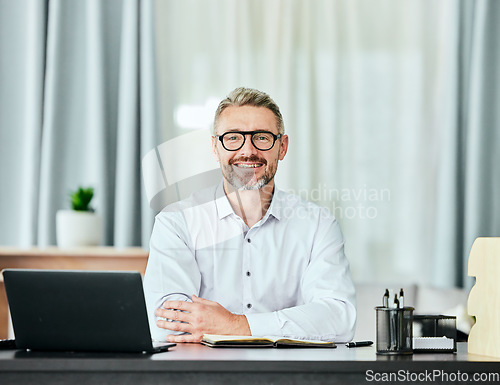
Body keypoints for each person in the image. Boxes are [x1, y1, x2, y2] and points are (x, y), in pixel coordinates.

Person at [143, 87, 356, 343]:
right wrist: (282, 326)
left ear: (283, 147)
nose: (248, 151)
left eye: (262, 138)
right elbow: (166, 325)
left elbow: (339, 319)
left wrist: (236, 325)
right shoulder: (177, 223)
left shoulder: (318, 225)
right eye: (233, 138)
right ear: (215, 147)